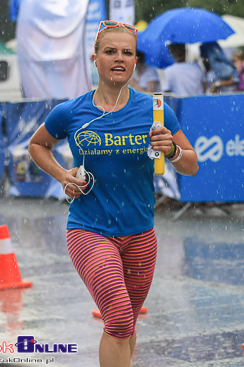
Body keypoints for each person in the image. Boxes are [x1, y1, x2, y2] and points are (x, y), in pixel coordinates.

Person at [27, 20, 198, 367]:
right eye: (110, 52)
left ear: (136, 61)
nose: (119, 58)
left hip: (140, 234)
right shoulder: (72, 111)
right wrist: (63, 175)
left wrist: (173, 151)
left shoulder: (154, 109)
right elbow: (37, 145)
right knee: (119, 318)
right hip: (89, 229)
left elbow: (191, 165)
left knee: (126, 323)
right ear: (95, 58)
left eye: (127, 53)